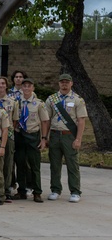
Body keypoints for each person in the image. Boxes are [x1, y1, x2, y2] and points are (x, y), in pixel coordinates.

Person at [44, 74, 87, 203]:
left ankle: (75, 191)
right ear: (58, 83)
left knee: (72, 164)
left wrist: (78, 139)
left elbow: (81, 120)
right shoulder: (51, 99)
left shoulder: (78, 100)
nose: (64, 84)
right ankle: (55, 189)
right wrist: (45, 137)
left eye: (67, 82)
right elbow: (47, 120)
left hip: (69, 135)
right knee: (55, 164)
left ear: (71, 83)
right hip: (55, 134)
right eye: (62, 82)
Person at [14, 78, 48, 203]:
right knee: (20, 163)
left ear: (33, 88)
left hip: (33, 136)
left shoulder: (39, 103)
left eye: (29, 86)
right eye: (24, 86)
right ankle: (22, 190)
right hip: (19, 135)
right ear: (21, 88)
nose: (27, 88)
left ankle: (37, 192)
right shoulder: (16, 102)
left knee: (34, 165)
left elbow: (44, 121)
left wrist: (44, 138)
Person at [0, 76, 18, 197]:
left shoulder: (12, 102)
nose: (1, 85)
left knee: (8, 162)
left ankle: (7, 188)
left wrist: (7, 130)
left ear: (6, 85)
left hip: (8, 135)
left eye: (3, 83)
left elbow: (14, 120)